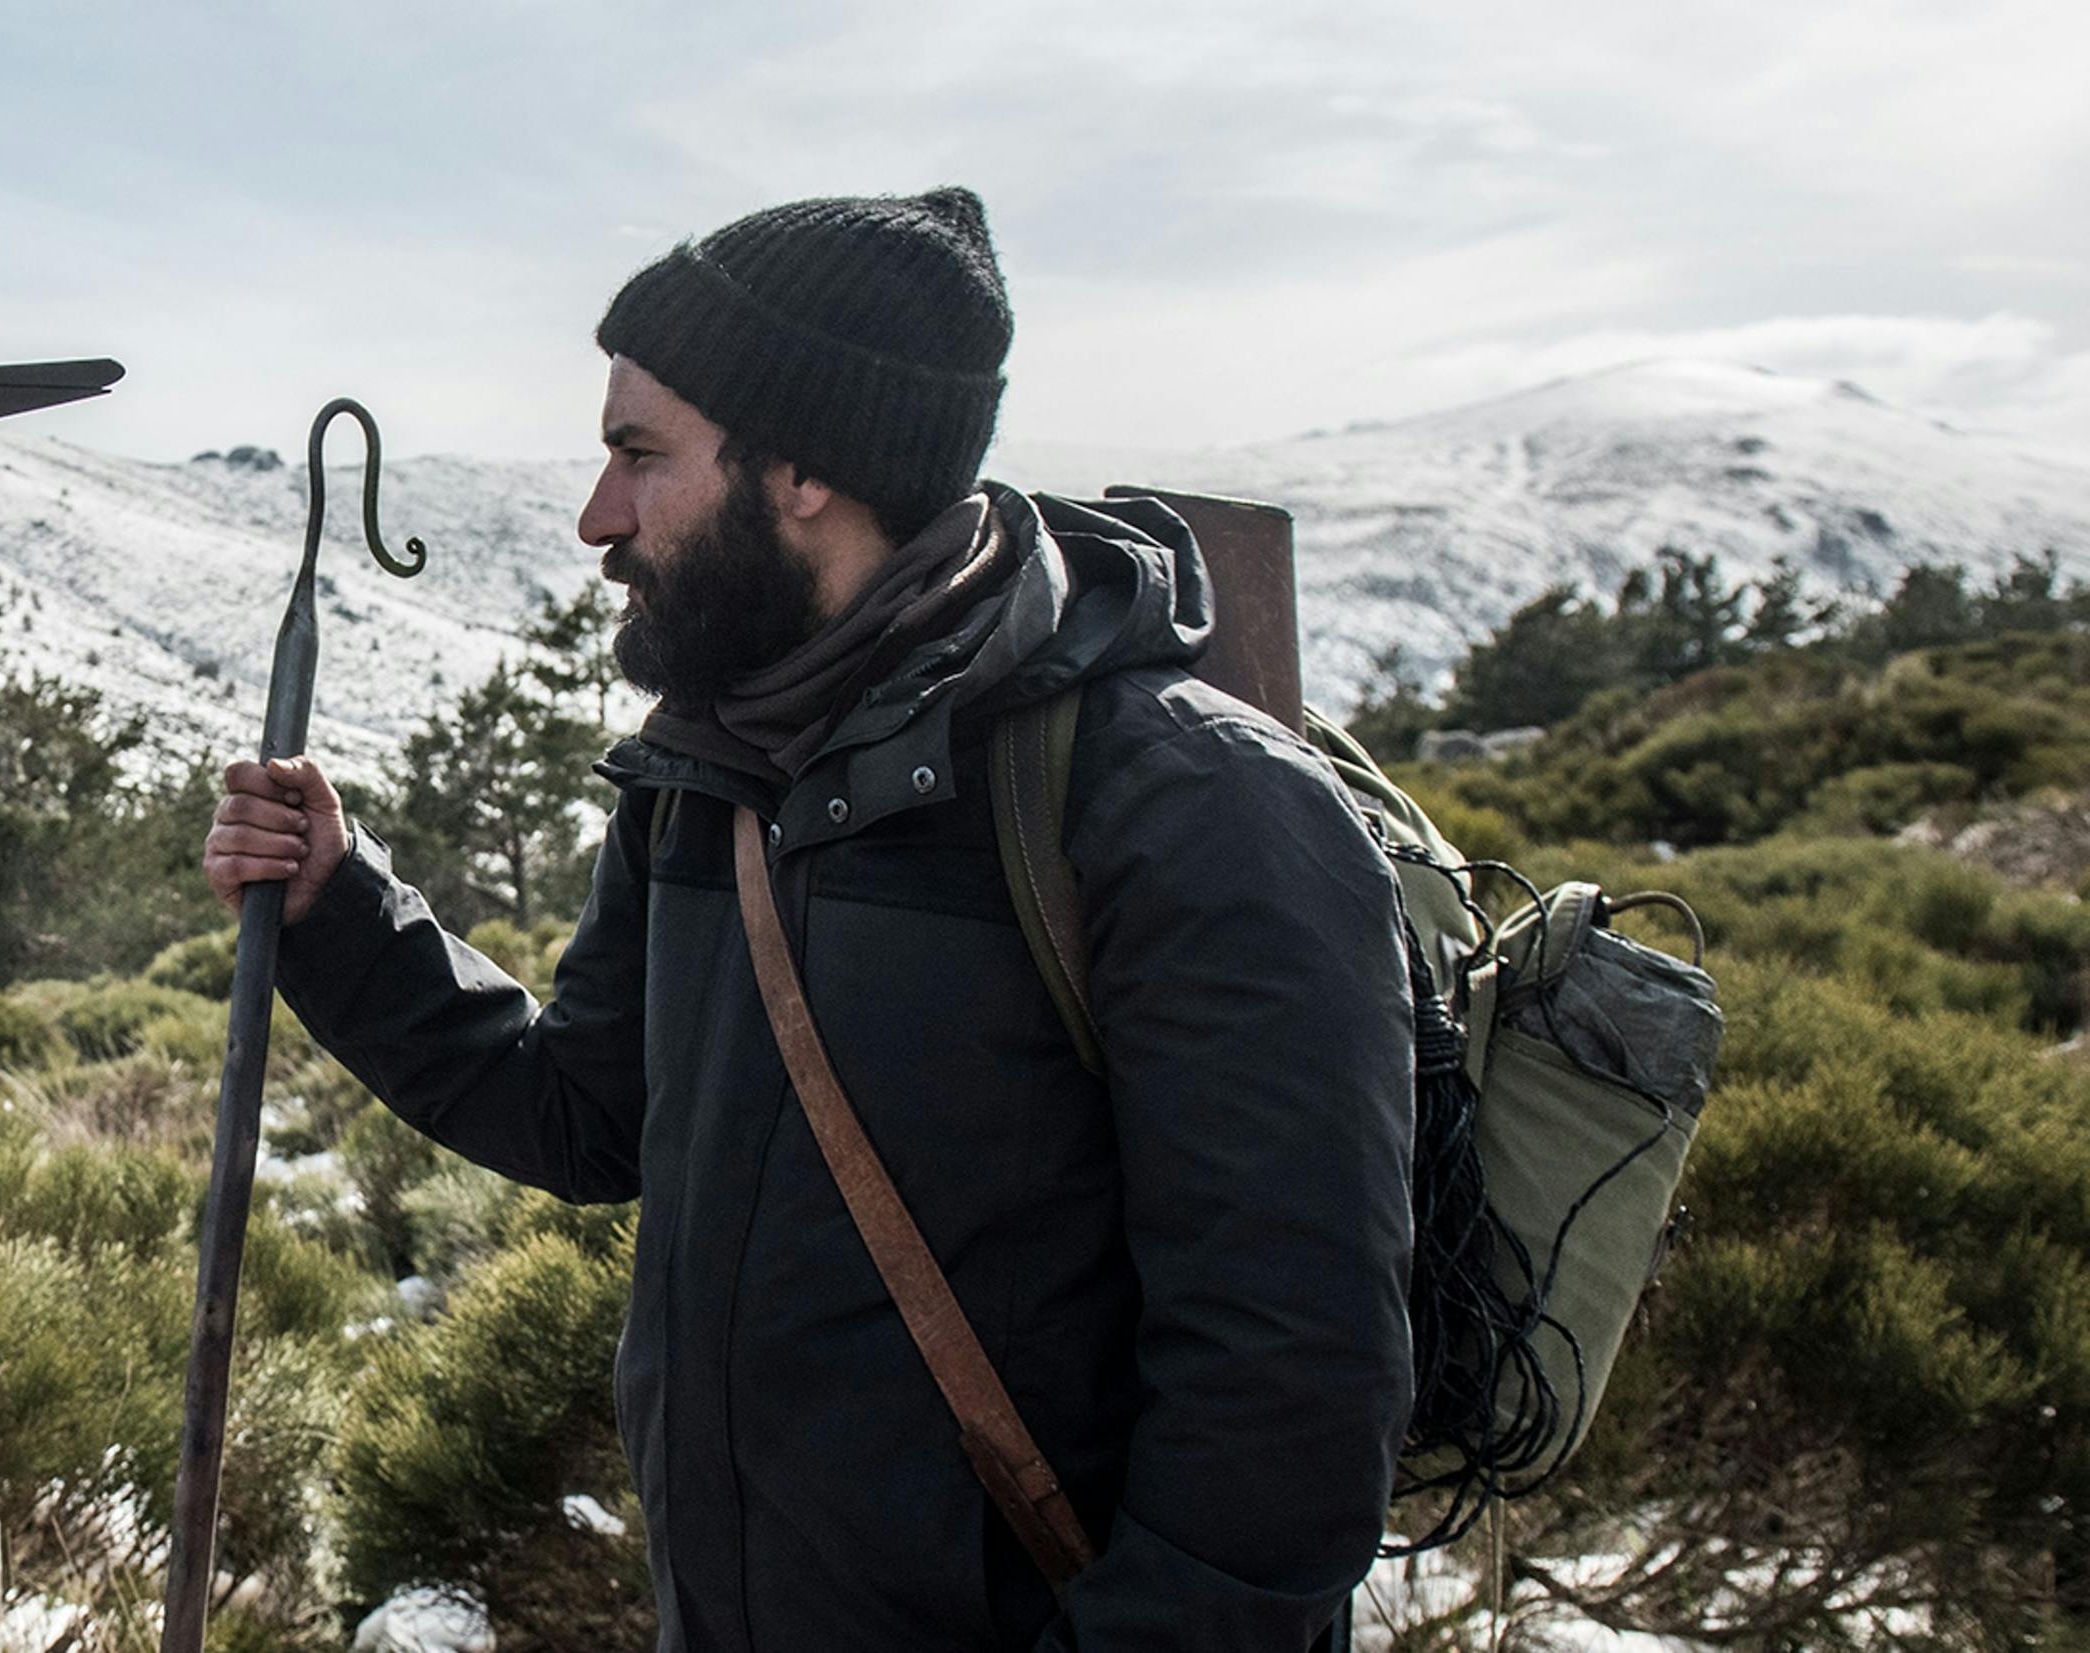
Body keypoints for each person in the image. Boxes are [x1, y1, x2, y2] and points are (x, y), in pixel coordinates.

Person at [205, 189, 1414, 1649]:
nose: (598, 517)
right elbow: (588, 1114)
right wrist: (341, 915)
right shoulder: (710, 777)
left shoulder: (1188, 808)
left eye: (640, 455)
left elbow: (1284, 1408)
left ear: (802, 470)